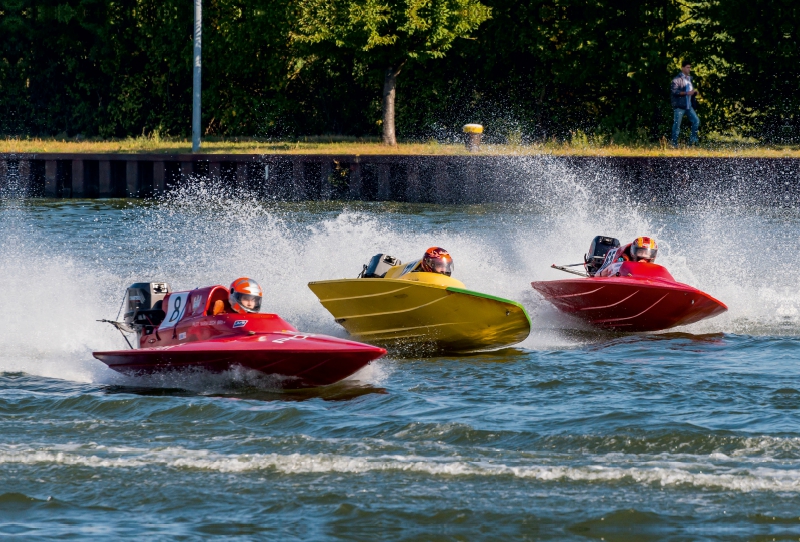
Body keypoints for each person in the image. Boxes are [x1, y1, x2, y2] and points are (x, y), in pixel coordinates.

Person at [670, 60, 700, 147]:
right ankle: (674, 143)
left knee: (696, 121)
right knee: (677, 126)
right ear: (682, 68)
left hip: (688, 106)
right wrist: (687, 93)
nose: (689, 69)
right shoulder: (676, 80)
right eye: (687, 67)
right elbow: (674, 92)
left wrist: (694, 93)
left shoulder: (689, 79)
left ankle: (692, 141)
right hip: (679, 106)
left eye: (690, 67)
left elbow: (690, 91)